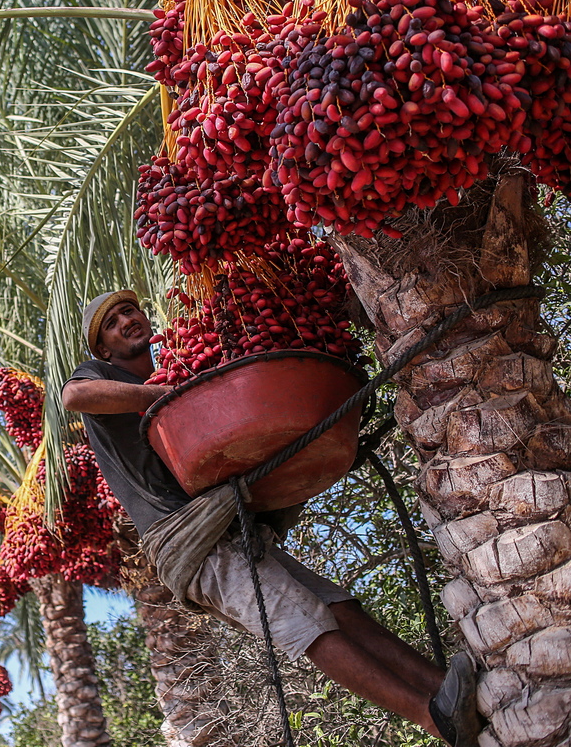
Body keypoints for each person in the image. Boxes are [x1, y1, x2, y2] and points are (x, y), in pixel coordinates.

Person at [61, 289, 481, 746]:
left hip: (226, 528)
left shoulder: (172, 394)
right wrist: (159, 393)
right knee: (304, 622)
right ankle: (431, 717)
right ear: (103, 349)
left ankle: (443, 689)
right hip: (192, 544)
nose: (127, 320)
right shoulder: (105, 378)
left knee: (340, 608)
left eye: (129, 311)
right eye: (112, 322)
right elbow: (74, 396)